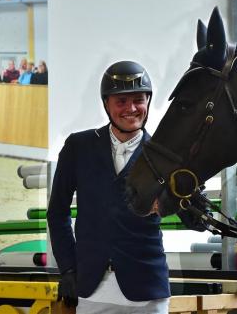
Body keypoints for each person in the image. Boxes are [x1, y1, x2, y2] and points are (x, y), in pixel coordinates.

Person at [47, 61, 170, 313]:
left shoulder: (164, 154)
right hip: (93, 288)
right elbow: (57, 212)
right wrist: (68, 268)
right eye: (121, 101)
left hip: (147, 289)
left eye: (138, 99)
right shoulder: (78, 147)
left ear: (148, 100)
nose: (131, 108)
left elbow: (185, 213)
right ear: (106, 104)